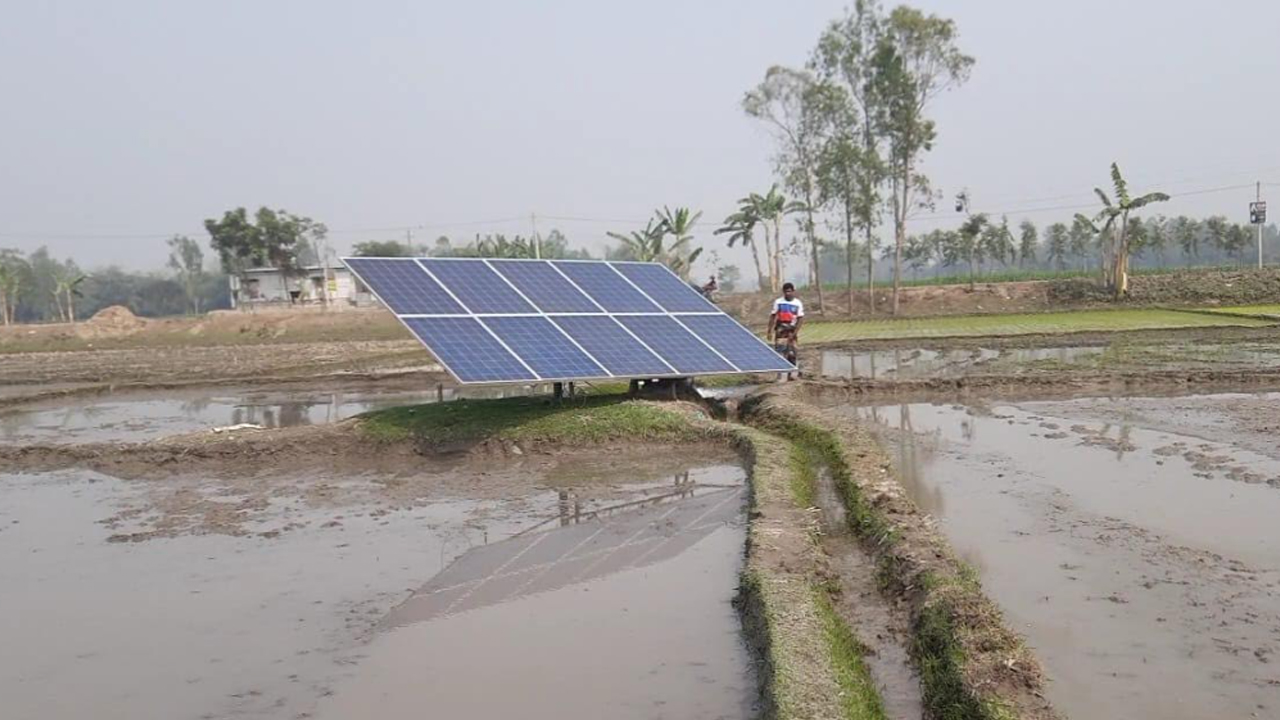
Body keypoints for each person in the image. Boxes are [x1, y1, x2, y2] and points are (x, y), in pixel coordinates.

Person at [767, 282, 804, 380]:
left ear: (793, 291)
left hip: (792, 330)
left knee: (792, 353)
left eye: (789, 291)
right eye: (786, 291)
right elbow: (773, 316)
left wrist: (795, 332)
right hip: (781, 330)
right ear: (783, 292)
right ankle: (779, 374)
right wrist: (769, 331)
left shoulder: (797, 303)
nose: (788, 293)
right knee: (780, 351)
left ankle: (791, 374)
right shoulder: (778, 302)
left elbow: (800, 319)